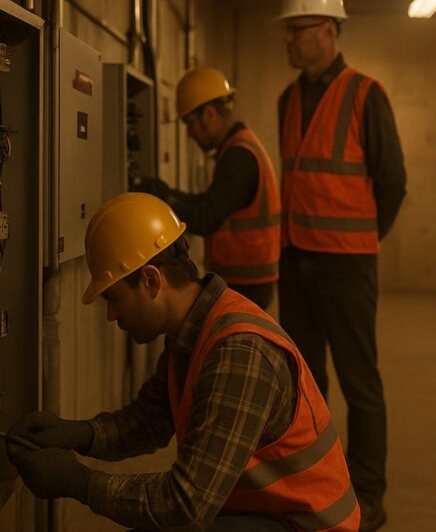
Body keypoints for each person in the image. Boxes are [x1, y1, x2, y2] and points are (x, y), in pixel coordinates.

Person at [4, 193, 359, 531]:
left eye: (113, 298)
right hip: (264, 512)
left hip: (302, 524)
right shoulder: (193, 330)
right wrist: (77, 434)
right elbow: (149, 421)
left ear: (151, 280)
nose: (111, 315)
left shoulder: (239, 352)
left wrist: (78, 482)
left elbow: (186, 505)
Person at [275, 0, 406, 532]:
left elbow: (393, 182)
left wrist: (361, 241)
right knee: (304, 380)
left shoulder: (365, 94)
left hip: (348, 262)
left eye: (299, 31)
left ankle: (369, 493)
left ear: (328, 31)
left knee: (359, 381)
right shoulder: (287, 99)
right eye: (288, 33)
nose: (290, 41)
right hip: (295, 258)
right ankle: (315, 481)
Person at [135, 67, 281, 310]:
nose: (190, 134)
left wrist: (163, 203)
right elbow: (209, 202)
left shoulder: (239, 156)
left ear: (210, 114)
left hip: (246, 281)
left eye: (191, 123)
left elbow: (206, 217)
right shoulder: (239, 148)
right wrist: (168, 193)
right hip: (247, 278)